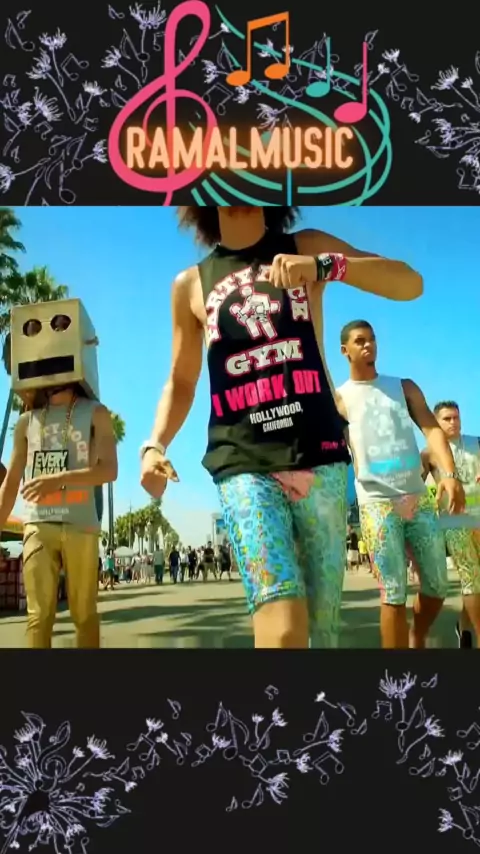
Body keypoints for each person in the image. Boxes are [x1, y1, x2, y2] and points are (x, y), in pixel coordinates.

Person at [140, 206, 424, 649]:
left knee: (323, 633)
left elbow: (409, 284)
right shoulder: (191, 284)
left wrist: (324, 267)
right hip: (242, 460)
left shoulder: (304, 246)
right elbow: (181, 380)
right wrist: (154, 445)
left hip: (320, 455)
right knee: (283, 625)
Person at [336, 320, 465, 649]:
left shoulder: (403, 387)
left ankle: (417, 635)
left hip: (417, 499)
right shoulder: (339, 399)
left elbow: (431, 430)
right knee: (393, 592)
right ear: (345, 351)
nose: (369, 345)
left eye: (372, 339)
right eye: (360, 341)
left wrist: (450, 475)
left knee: (437, 587)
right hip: (376, 503)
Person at [0, 299, 118, 648]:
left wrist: (59, 479)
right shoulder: (26, 422)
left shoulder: (96, 413)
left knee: (84, 614)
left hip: (81, 524)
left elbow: (109, 470)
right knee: (38, 617)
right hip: (38, 525)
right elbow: (11, 482)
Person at [423, 401, 480, 648]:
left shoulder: (477, 443)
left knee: (477, 584)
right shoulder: (429, 454)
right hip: (454, 521)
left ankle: (464, 626)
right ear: (436, 422)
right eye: (447, 418)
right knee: (471, 579)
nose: (453, 422)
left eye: (456, 417)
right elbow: (414, 489)